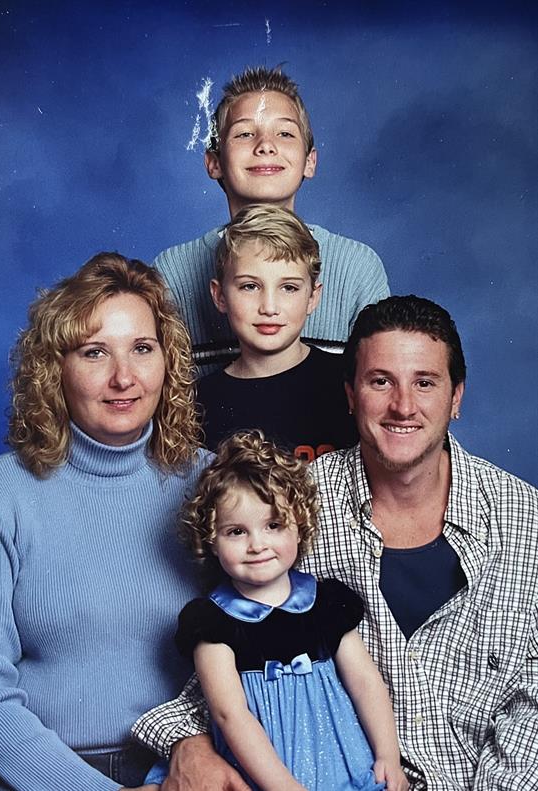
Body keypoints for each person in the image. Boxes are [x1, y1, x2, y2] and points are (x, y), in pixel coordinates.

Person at [132, 295, 538, 790]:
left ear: (456, 397)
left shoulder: (524, 519)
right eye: (380, 381)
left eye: (425, 383)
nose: (403, 406)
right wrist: (187, 743)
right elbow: (227, 671)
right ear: (350, 395)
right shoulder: (289, 507)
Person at [0, 253, 217, 791]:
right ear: (54, 368)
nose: (124, 377)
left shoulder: (214, 483)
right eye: (95, 352)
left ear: (168, 361)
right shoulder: (4, 494)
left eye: (142, 348)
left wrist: (197, 744)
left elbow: (261, 646)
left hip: (189, 768)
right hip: (40, 773)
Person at [143, 431, 407, 791]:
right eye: (236, 531)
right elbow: (229, 714)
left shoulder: (326, 603)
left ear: (300, 527)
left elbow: (365, 681)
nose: (257, 545)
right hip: (263, 770)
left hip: (344, 761)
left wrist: (388, 755)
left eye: (273, 525)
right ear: (211, 540)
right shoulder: (212, 622)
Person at [154, 65, 389, 373]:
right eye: (245, 134)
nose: (265, 145)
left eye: (285, 133)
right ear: (214, 162)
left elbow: (381, 380)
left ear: (310, 161)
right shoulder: (173, 271)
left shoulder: (357, 266)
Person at [197, 202, 357, 458]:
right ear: (219, 296)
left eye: (289, 288)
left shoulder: (348, 382)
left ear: (313, 297)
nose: (269, 308)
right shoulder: (199, 403)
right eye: (250, 286)